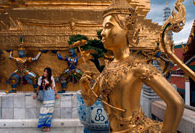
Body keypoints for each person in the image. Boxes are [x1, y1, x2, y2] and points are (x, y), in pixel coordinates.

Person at [79, 0, 184, 132]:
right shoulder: (108, 69)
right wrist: (84, 87)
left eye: (108, 26)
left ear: (127, 29)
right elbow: (90, 100)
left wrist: (167, 130)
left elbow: (176, 103)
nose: (102, 33)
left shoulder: (138, 67)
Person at [33, 67, 59, 132]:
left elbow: (54, 87)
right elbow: (38, 87)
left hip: (51, 95)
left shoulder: (51, 78)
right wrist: (36, 94)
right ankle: (43, 125)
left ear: (49, 73)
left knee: (50, 112)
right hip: (45, 96)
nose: (45, 73)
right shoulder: (40, 78)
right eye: (44, 71)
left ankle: (47, 126)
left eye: (46, 72)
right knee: (44, 111)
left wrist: (56, 94)